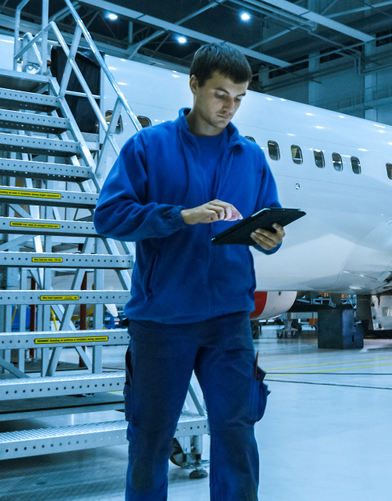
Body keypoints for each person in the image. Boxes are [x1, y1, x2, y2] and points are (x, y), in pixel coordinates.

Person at [94, 43, 284, 501]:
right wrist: (181, 216)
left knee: (237, 435)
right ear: (195, 84)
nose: (229, 107)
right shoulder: (147, 147)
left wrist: (272, 237)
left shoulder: (251, 158)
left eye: (239, 98)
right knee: (150, 438)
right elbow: (109, 216)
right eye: (221, 94)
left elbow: (270, 216)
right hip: (163, 320)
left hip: (230, 321)